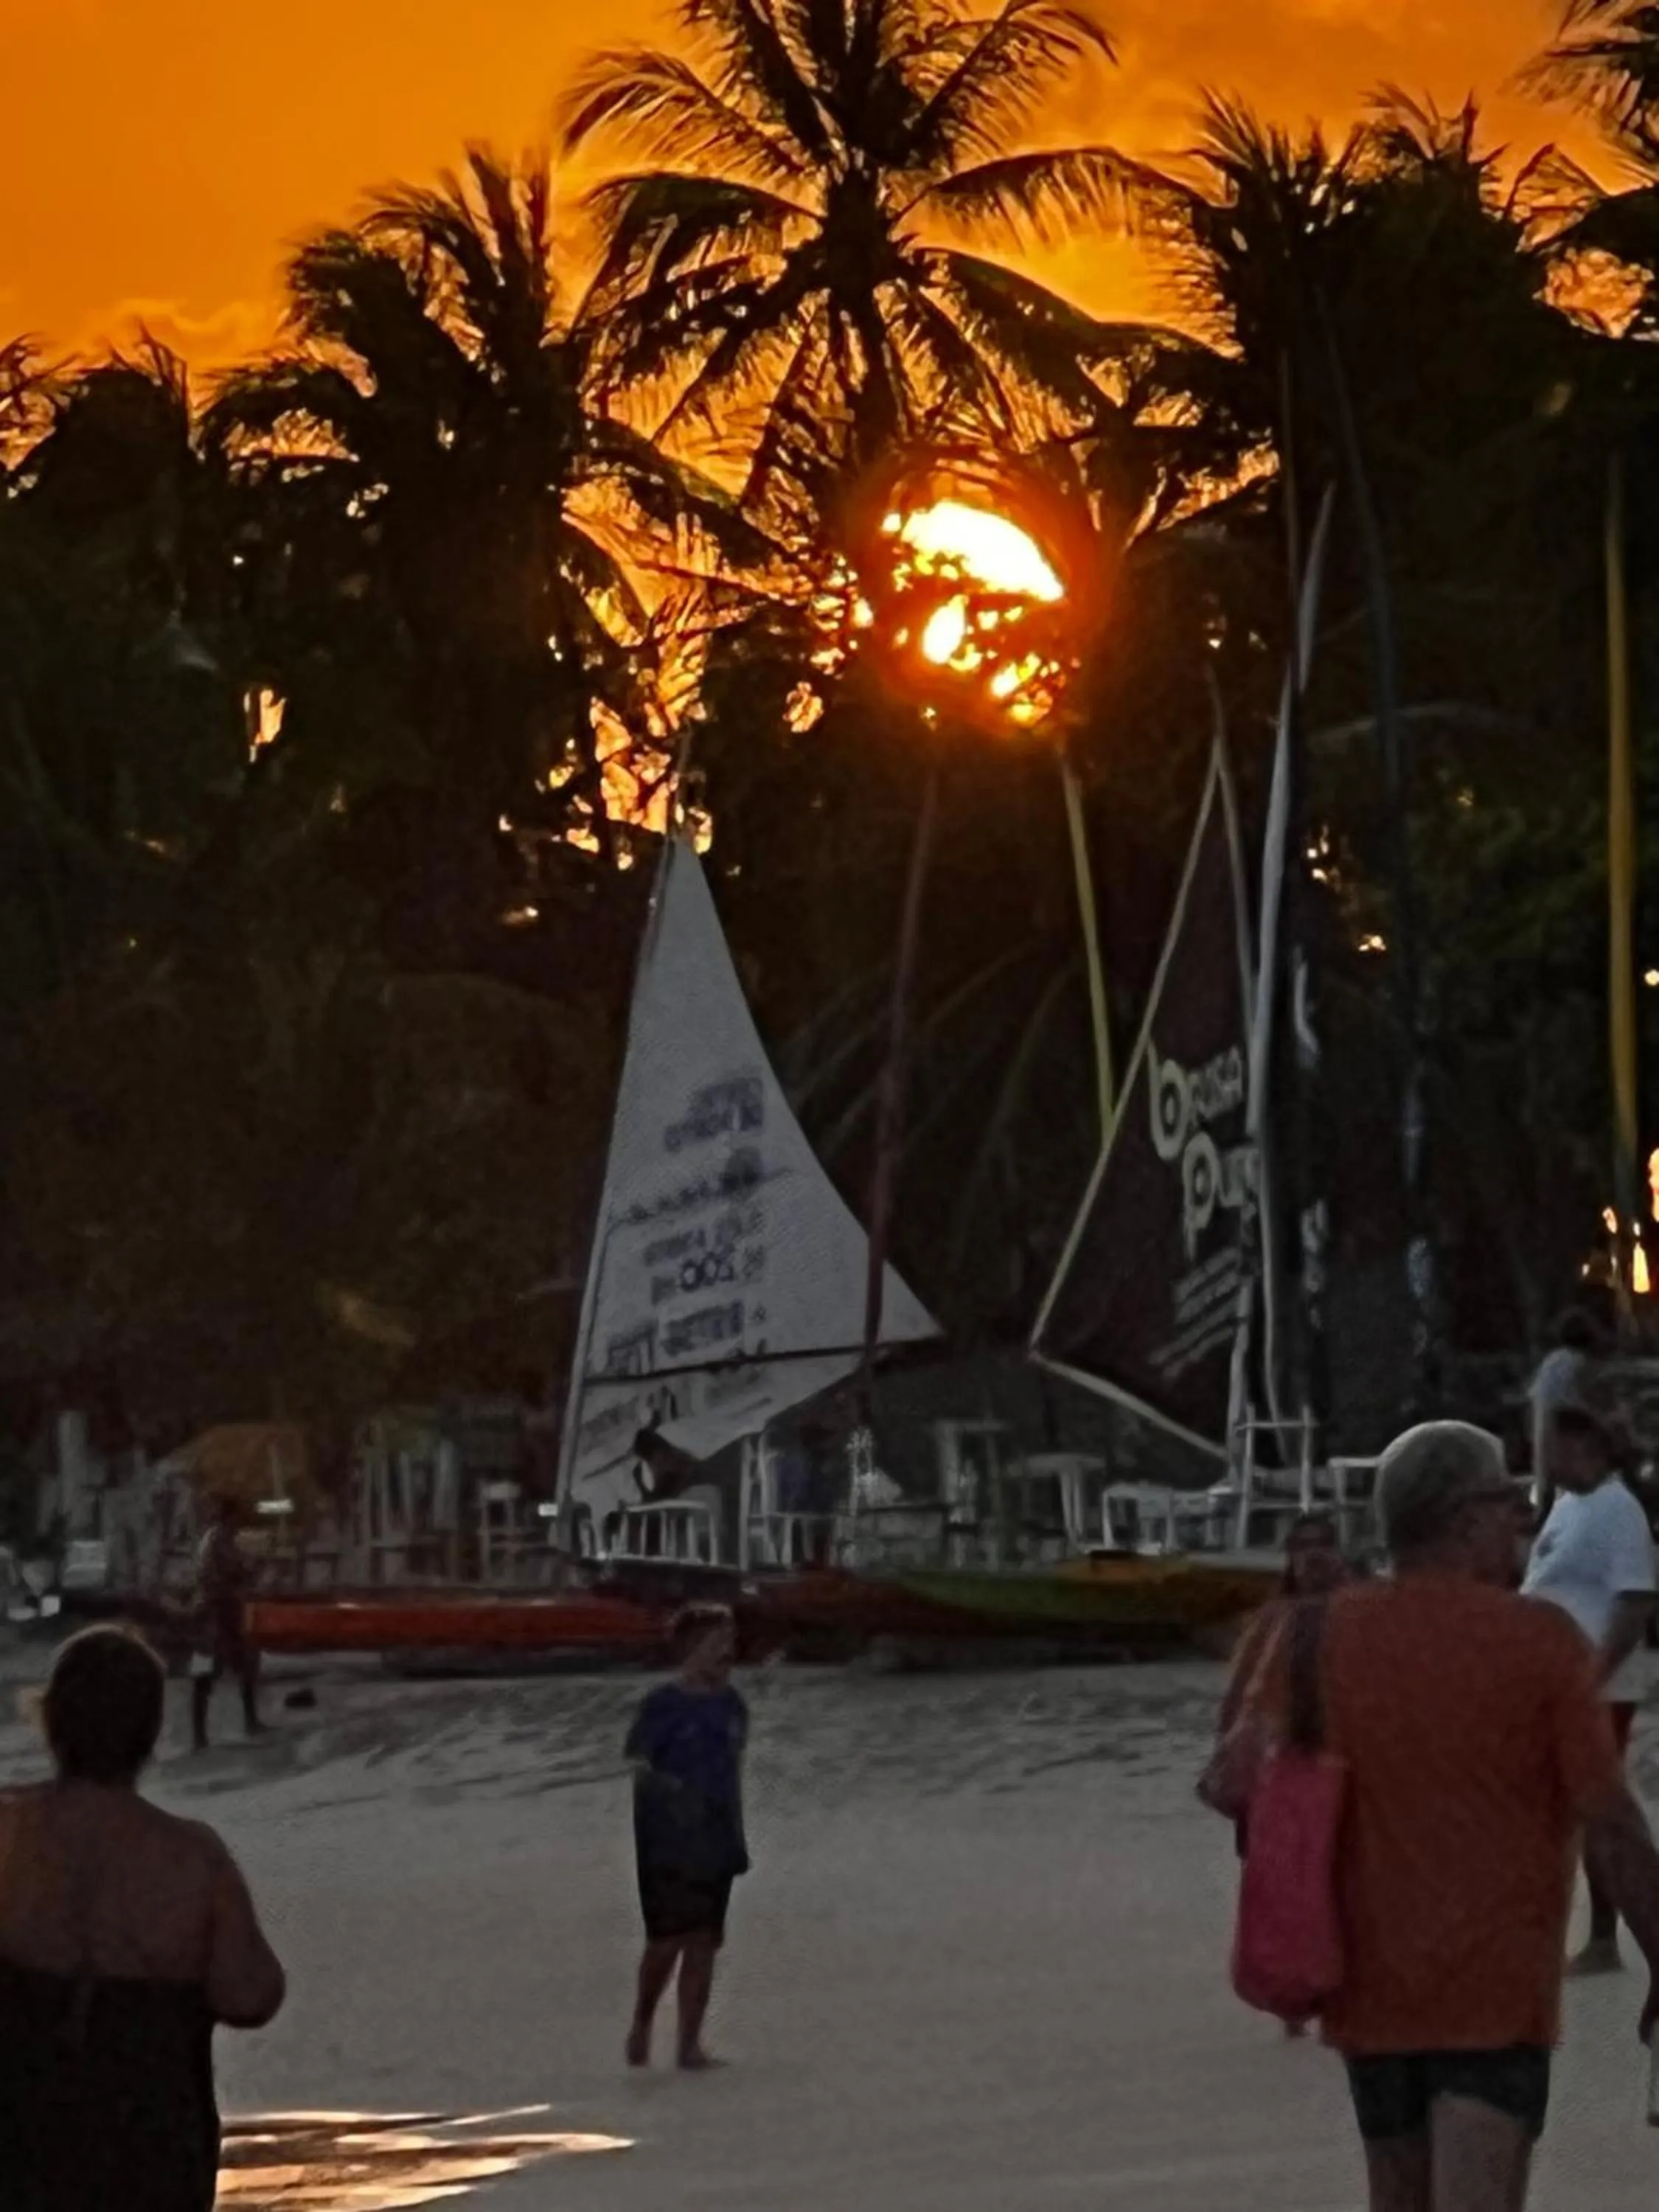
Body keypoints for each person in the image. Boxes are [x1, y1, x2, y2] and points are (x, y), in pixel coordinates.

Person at [1244, 1422, 1659, 2212]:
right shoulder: (1541, 1641)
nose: (1520, 1519)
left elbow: (1237, 1781)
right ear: (1466, 1519)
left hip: (1369, 1992)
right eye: (1508, 1501)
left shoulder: (1315, 1634)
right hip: (1492, 1993)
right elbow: (1610, 1820)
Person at [0, 1625, 285, 2211]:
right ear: (150, 1731)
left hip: (20, 2135)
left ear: (52, 1720)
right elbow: (251, 1996)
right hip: (151, 2144)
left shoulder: (8, 1832)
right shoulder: (191, 1858)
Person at [1521, 1399, 1658, 1974]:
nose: (1542, 1454)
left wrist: (1590, 1676)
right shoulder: (1565, 1503)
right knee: (1566, 1808)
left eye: (1550, 1444)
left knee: (1598, 1807)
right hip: (1556, 1683)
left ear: (1581, 1445)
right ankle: (1563, 1929)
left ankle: (1607, 1938)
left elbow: (1636, 1599)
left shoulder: (1616, 1508)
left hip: (1598, 1686)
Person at [1214, 1511, 1348, 2038]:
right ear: (1290, 1559)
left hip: (1347, 1766)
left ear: (1341, 1553)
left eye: (1324, 1544)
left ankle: (1337, 1993)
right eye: (1302, 1547)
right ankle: (1294, 2002)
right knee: (1289, 1888)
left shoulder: (1364, 1615)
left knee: (1341, 1884)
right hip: (1286, 1774)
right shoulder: (1271, 1621)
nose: (1314, 1556)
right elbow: (1239, 1705)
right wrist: (1234, 1779)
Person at [624, 1602, 750, 2071]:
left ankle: (689, 2046)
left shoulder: (733, 1705)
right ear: (692, 1648)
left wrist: (736, 1837)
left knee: (704, 1941)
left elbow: (733, 1772)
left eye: (731, 1642)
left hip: (716, 1836)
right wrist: (673, 1799)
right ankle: (642, 2023)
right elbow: (639, 1763)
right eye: (718, 1642)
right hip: (667, 1840)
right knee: (666, 1941)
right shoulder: (662, 1704)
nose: (728, 1652)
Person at [192, 1495, 264, 1752]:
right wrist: (253, 1567)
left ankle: (202, 1735)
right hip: (219, 1609)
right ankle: (244, 1724)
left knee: (212, 1669)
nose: (237, 1524)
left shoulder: (214, 1538)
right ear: (229, 1518)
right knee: (229, 1664)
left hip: (212, 1609)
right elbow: (236, 1572)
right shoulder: (219, 1540)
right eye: (236, 1519)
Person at [1527, 1307, 1609, 1514]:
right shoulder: (1577, 1362)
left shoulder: (1553, 1360)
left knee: (1545, 1474)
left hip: (1543, 1423)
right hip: (1561, 1427)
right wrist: (1600, 1418)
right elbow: (1577, 1399)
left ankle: (1544, 1510)